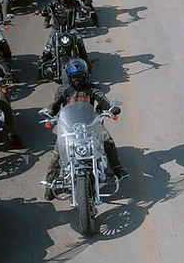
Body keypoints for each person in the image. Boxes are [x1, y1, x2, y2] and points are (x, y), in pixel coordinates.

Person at [40, 59, 124, 199]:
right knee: (57, 152)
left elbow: (102, 99)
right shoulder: (63, 90)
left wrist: (110, 107)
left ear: (85, 76)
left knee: (107, 140)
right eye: (75, 77)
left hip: (91, 123)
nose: (78, 80)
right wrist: (50, 113)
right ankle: (50, 184)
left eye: (80, 76)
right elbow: (55, 104)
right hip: (69, 126)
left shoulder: (92, 88)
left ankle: (118, 169)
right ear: (69, 77)